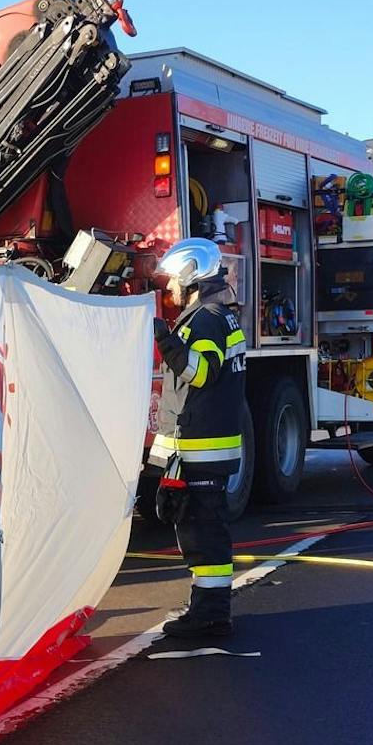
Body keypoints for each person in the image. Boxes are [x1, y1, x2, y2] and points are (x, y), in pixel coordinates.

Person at [145, 237, 249, 648]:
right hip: (208, 447)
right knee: (205, 531)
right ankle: (208, 609)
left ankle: (209, 616)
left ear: (190, 276)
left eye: (172, 280)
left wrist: (166, 341)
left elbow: (202, 373)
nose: (168, 289)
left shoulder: (203, 319)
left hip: (201, 449)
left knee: (201, 535)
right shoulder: (220, 316)